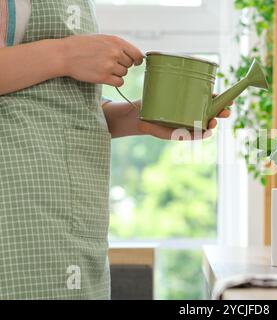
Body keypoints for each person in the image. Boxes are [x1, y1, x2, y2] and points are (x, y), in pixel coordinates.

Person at [0, 0, 230, 299]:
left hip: (77, 221)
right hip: (18, 218)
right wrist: (65, 54)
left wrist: (140, 118)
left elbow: (58, 108)